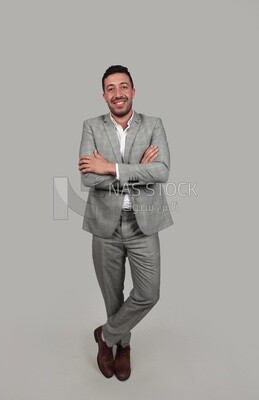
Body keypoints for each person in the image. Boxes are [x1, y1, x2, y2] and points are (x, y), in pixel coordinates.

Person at [78, 65, 173, 381]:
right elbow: (89, 176)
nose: (117, 93)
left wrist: (112, 168)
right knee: (112, 295)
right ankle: (123, 346)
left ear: (133, 90)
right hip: (105, 225)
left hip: (142, 223)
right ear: (104, 95)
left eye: (123, 86)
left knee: (149, 293)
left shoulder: (153, 125)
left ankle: (107, 335)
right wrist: (133, 171)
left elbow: (161, 172)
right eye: (110, 88)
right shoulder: (91, 126)